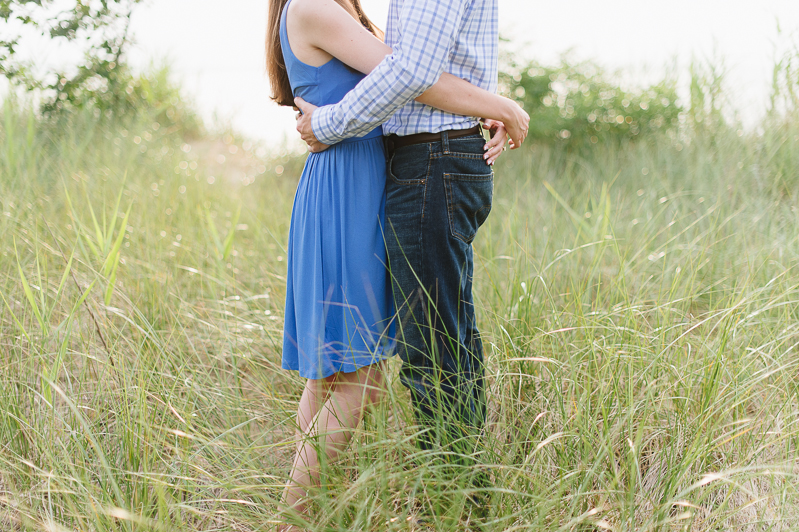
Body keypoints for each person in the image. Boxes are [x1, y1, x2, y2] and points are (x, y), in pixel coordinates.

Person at [265, 0, 528, 528]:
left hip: (356, 179)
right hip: (348, 187)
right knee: (357, 379)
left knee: (334, 374)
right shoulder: (316, 6)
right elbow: (413, 77)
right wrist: (503, 104)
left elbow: (410, 76)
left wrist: (488, 104)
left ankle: (305, 512)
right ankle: (293, 517)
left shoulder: (333, 8)